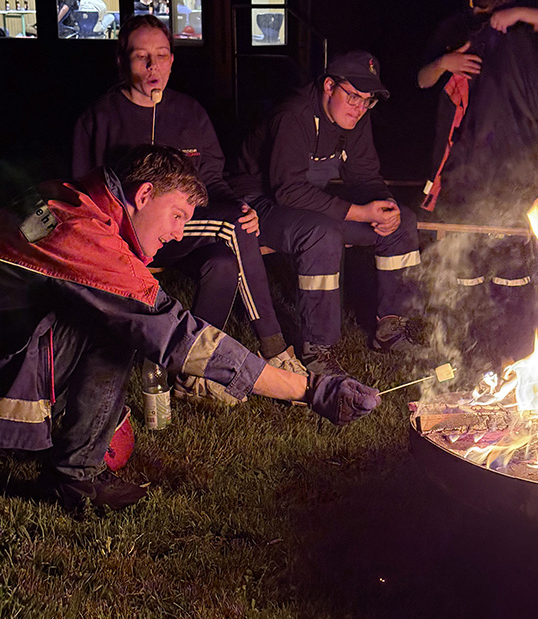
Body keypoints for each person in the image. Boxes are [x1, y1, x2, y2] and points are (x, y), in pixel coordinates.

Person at [0, 145, 380, 512]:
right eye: (178, 215)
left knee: (119, 317)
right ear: (145, 193)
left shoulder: (76, 199)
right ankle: (73, 476)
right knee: (128, 323)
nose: (180, 233)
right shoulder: (81, 231)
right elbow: (179, 335)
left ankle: (73, 470)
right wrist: (312, 389)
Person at [72, 14, 306, 401]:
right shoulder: (98, 117)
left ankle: (192, 373)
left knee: (224, 260)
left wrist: (237, 206)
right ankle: (276, 351)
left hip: (181, 234)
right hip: (124, 237)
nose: (153, 67)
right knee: (231, 229)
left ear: (172, 60)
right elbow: (84, 193)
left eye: (162, 55)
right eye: (141, 56)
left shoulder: (190, 114)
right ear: (121, 60)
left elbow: (211, 182)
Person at [229, 51, 422, 375]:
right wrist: (359, 212)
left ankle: (391, 327)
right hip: (257, 202)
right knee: (322, 234)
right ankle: (319, 349)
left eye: (368, 101)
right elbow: (286, 190)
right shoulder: (293, 115)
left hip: (306, 199)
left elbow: (363, 174)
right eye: (353, 97)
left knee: (403, 222)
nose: (360, 108)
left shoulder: (355, 117)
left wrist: (383, 205)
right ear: (329, 86)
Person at [417, 0, 538, 360]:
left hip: (518, 162)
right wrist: (444, 63)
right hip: (465, 162)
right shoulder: (457, 29)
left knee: (513, 252)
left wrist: (518, 15)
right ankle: (460, 339)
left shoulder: (525, 31)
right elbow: (422, 79)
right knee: (465, 251)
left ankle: (512, 341)